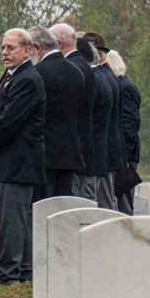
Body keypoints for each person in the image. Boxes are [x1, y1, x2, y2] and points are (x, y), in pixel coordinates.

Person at [0, 29, 46, 286]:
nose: (5, 52)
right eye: (3, 47)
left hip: (19, 160)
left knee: (12, 220)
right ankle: (23, 270)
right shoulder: (14, 76)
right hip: (15, 159)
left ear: (27, 50)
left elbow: (7, 122)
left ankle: (7, 273)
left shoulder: (26, 79)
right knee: (18, 219)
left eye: (11, 48)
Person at [27, 25, 84, 199]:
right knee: (62, 211)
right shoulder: (77, 72)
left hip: (43, 155)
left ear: (37, 48)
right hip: (68, 153)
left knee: (40, 211)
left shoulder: (36, 74)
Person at [50, 24, 95, 201]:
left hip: (71, 151)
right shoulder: (82, 65)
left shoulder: (72, 68)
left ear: (59, 43)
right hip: (79, 149)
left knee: (72, 206)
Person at [85, 33, 123, 210]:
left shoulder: (100, 77)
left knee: (104, 204)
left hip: (104, 150)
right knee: (107, 201)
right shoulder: (107, 75)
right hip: (107, 149)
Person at [106, 50, 141, 214]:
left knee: (123, 201)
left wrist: (125, 155)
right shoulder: (121, 84)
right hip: (120, 152)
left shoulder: (125, 87)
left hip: (125, 153)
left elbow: (130, 123)